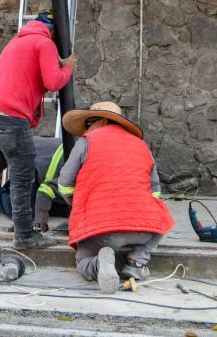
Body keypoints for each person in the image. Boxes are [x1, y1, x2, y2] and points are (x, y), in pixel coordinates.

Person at [0, 11, 77, 250]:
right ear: (54, 31)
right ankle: (25, 235)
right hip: (11, 117)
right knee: (22, 176)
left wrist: (57, 63)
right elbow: (53, 82)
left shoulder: (20, 40)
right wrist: (68, 67)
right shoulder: (44, 43)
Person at [58, 101, 174, 293]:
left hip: (100, 232)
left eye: (88, 124)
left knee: (82, 261)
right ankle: (136, 262)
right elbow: (155, 192)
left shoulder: (86, 142)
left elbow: (64, 184)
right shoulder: (141, 145)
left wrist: (80, 205)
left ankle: (98, 264)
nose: (87, 129)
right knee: (162, 217)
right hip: (143, 231)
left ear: (101, 121)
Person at [0, 136, 71, 230]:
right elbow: (45, 190)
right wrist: (40, 220)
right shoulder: (73, 178)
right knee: (24, 215)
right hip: (30, 158)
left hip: (44, 161)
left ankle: (13, 193)